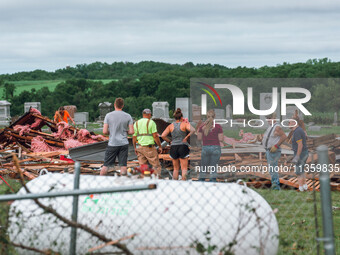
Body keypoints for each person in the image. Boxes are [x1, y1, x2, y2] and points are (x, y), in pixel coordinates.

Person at [100, 98, 134, 176]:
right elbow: (132, 132)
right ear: (123, 105)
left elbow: (104, 132)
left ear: (114, 105)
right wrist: (125, 132)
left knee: (106, 165)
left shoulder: (108, 115)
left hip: (113, 143)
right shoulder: (128, 116)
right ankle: (123, 182)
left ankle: (100, 181)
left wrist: (111, 132)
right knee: (123, 165)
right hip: (123, 143)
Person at [161, 108, 195, 180]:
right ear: (182, 117)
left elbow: (163, 135)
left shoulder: (170, 126)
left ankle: (175, 182)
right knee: (184, 168)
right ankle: (184, 181)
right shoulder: (184, 124)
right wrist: (186, 137)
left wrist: (169, 141)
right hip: (182, 146)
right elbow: (193, 130)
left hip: (173, 147)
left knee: (175, 168)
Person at [133, 109, 163, 178]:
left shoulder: (136, 123)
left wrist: (135, 147)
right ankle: (157, 179)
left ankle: (144, 181)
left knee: (143, 166)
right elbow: (155, 136)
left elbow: (134, 137)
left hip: (140, 147)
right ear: (149, 114)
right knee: (156, 165)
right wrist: (160, 146)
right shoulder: (151, 122)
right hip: (149, 148)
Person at [262, 113, 287, 190]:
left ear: (274, 118)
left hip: (273, 150)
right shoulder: (271, 127)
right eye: (267, 118)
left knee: (273, 169)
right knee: (272, 168)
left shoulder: (277, 127)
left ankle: (276, 187)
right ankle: (275, 185)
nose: (268, 120)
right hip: (269, 150)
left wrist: (276, 145)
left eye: (270, 118)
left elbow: (284, 136)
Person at [197, 110, 223, 182]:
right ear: (214, 116)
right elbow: (220, 139)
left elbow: (199, 138)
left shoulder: (202, 126)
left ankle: (201, 181)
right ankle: (212, 182)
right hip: (216, 148)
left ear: (207, 116)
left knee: (203, 167)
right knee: (213, 167)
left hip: (205, 147)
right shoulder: (218, 126)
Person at [289, 117, 309, 191]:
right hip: (304, 152)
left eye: (290, 122)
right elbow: (306, 138)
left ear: (294, 123)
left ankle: (300, 187)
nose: (288, 124)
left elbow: (300, 145)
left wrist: (297, 156)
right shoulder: (299, 130)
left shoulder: (297, 131)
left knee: (298, 171)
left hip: (301, 153)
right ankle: (304, 185)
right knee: (301, 169)